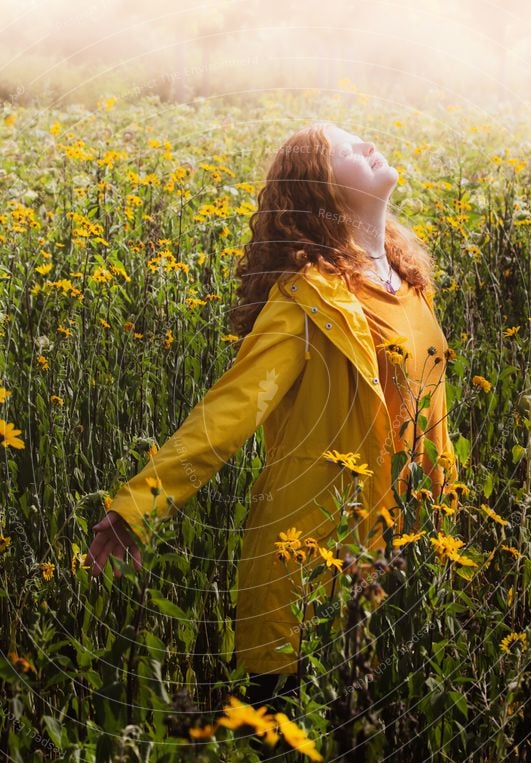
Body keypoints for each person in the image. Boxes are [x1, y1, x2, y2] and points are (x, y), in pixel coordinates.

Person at [84, 121, 457, 705]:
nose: (365, 143)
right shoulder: (305, 298)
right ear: (320, 190)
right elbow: (230, 409)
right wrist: (140, 505)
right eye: (343, 149)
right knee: (285, 738)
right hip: (312, 544)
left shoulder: (412, 288)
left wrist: (446, 517)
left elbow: (433, 422)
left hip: (406, 546)